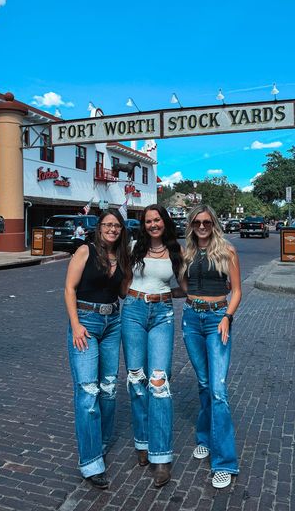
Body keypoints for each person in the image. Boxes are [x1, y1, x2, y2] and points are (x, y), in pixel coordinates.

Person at [64, 209, 130, 489]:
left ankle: (100, 443)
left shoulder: (123, 257)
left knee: (109, 387)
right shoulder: (85, 251)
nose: (112, 229)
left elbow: (125, 292)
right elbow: (69, 289)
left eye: (117, 226)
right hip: (86, 322)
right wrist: (76, 325)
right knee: (88, 391)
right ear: (99, 227)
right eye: (108, 225)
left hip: (113, 322)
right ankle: (91, 463)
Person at [121, 204, 184, 487]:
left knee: (159, 383)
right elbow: (122, 282)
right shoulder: (134, 246)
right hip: (132, 312)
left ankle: (161, 458)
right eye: (148, 221)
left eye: (157, 219)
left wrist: (161, 294)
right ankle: (142, 443)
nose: (153, 224)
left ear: (164, 222)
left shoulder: (175, 251)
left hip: (162, 315)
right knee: (137, 380)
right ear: (143, 225)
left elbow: (185, 286)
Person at [181, 204, 241, 489]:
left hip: (218, 319)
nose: (202, 226)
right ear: (191, 225)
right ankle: (204, 437)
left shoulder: (227, 250)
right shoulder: (187, 252)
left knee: (218, 390)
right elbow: (183, 285)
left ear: (214, 223)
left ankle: (224, 463)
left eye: (206, 222)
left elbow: (237, 290)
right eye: (197, 222)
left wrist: (227, 316)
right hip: (191, 319)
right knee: (204, 383)